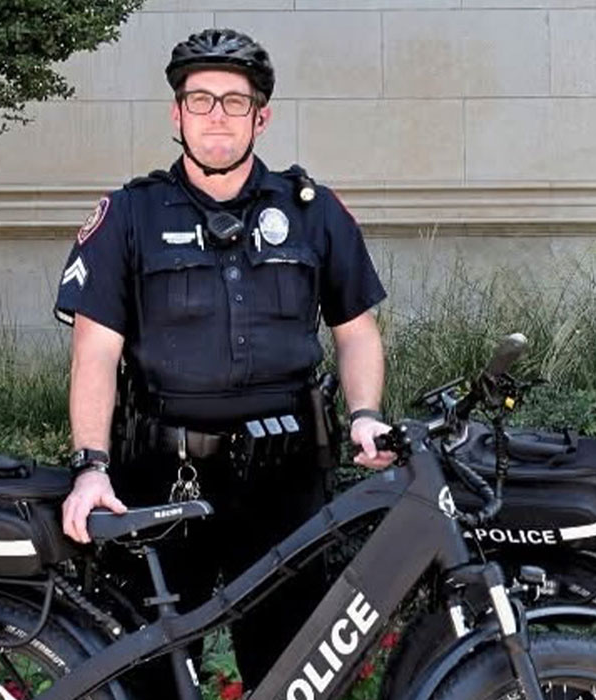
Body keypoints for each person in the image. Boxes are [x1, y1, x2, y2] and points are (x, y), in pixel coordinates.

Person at [54, 27, 394, 692]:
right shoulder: (128, 215)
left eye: (234, 102)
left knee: (291, 671)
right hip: (160, 481)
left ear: (260, 117)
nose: (216, 115)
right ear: (176, 114)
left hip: (286, 486)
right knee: (149, 674)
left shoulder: (312, 211)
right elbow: (94, 353)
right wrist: (90, 468)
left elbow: (356, 328)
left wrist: (364, 414)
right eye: (200, 99)